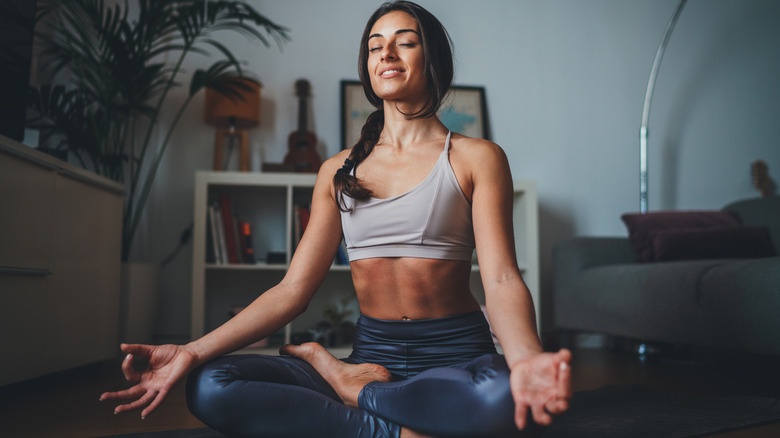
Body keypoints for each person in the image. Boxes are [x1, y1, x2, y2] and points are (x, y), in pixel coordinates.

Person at [100, 1, 572, 436]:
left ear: (434, 61)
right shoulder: (337, 171)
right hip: (372, 357)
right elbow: (291, 291)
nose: (386, 52)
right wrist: (190, 351)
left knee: (502, 395)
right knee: (209, 384)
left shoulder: (476, 157)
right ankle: (392, 416)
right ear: (367, 67)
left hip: (455, 356)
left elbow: (504, 279)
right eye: (374, 46)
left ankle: (353, 393)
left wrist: (526, 358)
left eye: (405, 41)